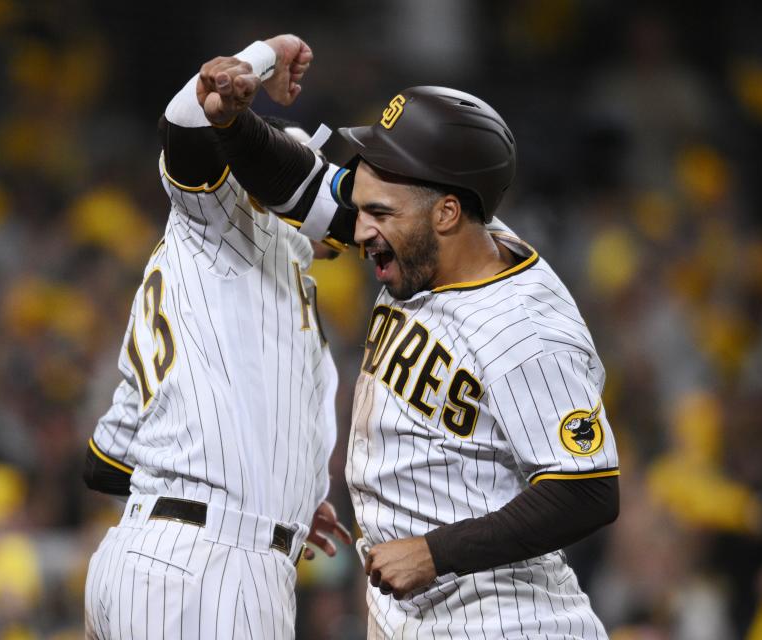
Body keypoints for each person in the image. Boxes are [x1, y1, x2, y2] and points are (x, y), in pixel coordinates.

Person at [199, 66, 621, 637]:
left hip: (509, 622)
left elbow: (588, 491)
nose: (359, 228)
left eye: (379, 214)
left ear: (446, 213)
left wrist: (434, 552)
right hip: (421, 620)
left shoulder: (527, 328)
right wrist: (232, 122)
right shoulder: (426, 241)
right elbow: (302, 185)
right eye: (364, 209)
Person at [81, 34, 351, 639]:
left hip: (167, 558)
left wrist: (276, 493)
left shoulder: (240, 276)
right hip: (207, 572)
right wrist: (259, 58)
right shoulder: (226, 223)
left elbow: (105, 464)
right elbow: (188, 123)